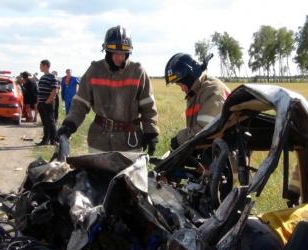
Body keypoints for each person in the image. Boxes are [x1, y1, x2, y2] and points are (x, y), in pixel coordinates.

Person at [57, 25, 159, 154]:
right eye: (114, 53)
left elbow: (148, 106)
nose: (119, 57)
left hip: (129, 142)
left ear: (128, 52)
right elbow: (80, 103)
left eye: (123, 53)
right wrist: (69, 125)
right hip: (99, 140)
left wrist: (151, 133)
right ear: (106, 51)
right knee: (96, 174)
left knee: (128, 175)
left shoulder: (138, 72)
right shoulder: (94, 70)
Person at [164, 53, 230, 150]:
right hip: (213, 150)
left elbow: (205, 131)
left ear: (189, 78)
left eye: (181, 84)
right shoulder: (197, 92)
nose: (182, 89)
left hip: (225, 155)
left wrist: (179, 139)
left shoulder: (212, 90)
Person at [36, 60, 58, 145]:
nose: (40, 67)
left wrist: (48, 101)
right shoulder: (42, 77)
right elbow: (40, 91)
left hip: (47, 103)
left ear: (45, 66)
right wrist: (38, 103)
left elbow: (54, 90)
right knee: (45, 123)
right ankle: (45, 140)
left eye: (41, 65)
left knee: (50, 122)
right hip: (41, 103)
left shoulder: (52, 77)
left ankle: (54, 140)